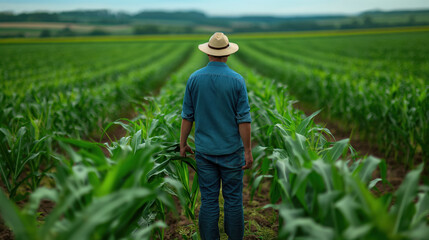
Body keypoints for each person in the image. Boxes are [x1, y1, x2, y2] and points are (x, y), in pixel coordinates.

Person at [180, 32, 253, 240]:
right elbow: (244, 120)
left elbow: (187, 116)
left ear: (208, 54)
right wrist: (248, 151)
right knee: (233, 200)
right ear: (227, 55)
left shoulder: (194, 79)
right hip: (231, 152)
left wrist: (182, 144)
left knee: (209, 200)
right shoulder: (237, 81)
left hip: (205, 152)